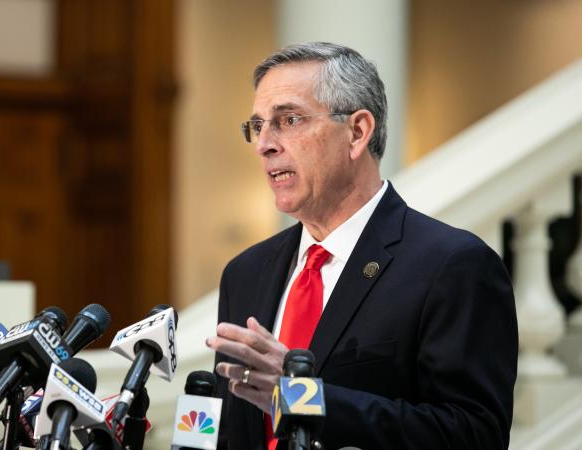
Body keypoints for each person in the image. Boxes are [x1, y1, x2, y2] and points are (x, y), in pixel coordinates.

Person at [205, 42, 518, 450]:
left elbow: (474, 435)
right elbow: (232, 434)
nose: (265, 143)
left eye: (289, 119)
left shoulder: (453, 265)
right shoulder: (245, 273)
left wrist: (306, 399)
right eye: (258, 125)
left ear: (357, 132)